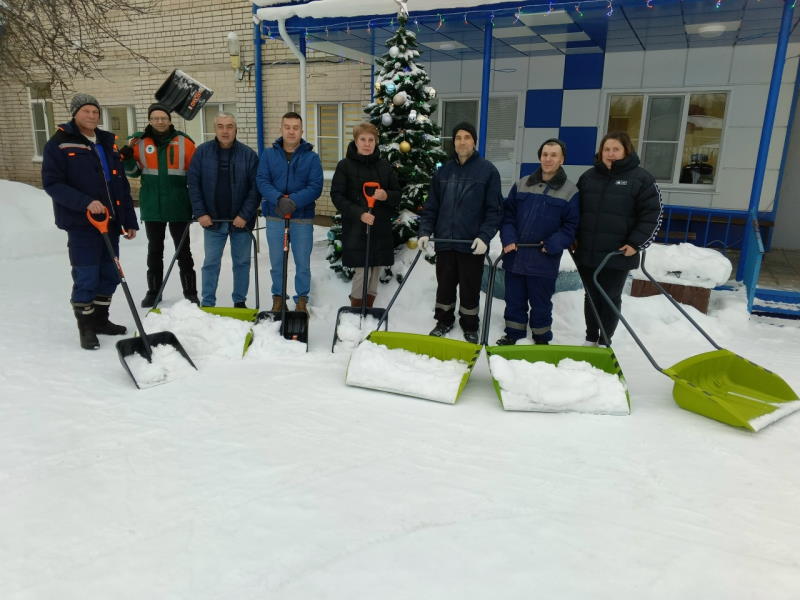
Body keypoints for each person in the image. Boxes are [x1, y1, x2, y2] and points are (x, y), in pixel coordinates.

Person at [42, 93, 139, 350]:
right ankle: (86, 328)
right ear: (75, 113)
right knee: (86, 275)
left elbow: (120, 184)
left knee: (110, 274)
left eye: (95, 111)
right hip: (82, 223)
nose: (92, 116)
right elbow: (52, 184)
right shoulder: (59, 143)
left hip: (111, 222)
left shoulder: (107, 142)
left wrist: (129, 220)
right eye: (86, 111)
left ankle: (100, 321)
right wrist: (85, 202)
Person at [417, 122, 503, 344]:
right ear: (453, 142)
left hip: (471, 243)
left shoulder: (488, 171)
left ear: (474, 141)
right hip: (445, 241)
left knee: (469, 287)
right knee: (444, 286)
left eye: (467, 137)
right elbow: (431, 206)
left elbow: (494, 210)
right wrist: (425, 231)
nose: (462, 142)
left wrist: (484, 237)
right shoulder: (443, 171)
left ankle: (470, 324)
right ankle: (443, 321)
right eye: (458, 138)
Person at [574, 131, 662, 346]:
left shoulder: (641, 179)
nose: (610, 154)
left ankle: (605, 340)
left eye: (616, 149)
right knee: (591, 295)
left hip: (618, 252)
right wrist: (573, 237)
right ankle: (590, 337)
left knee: (610, 296)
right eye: (606, 149)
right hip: (587, 250)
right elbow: (575, 211)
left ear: (626, 151)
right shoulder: (588, 177)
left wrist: (635, 243)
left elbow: (652, 214)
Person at [496, 138, 579, 346]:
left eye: (554, 155)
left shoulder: (570, 191)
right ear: (540, 157)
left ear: (562, 160)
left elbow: (571, 227)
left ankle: (541, 338)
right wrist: (508, 238)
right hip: (516, 256)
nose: (548, 159)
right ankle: (513, 334)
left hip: (544, 258)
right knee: (514, 300)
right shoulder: (522, 184)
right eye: (545, 154)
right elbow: (508, 216)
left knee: (541, 303)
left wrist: (553, 244)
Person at [121, 103, 198, 307]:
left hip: (179, 205)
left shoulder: (184, 142)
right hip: (152, 206)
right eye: (155, 118)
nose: (160, 121)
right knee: (154, 251)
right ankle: (154, 292)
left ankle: (191, 293)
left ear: (170, 120)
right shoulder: (139, 142)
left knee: (184, 252)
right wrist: (127, 159)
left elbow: (196, 173)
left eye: (163, 118)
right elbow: (133, 173)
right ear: (149, 120)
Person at [187, 112, 259, 308]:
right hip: (212, 221)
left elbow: (255, 189)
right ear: (215, 129)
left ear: (236, 129)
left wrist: (244, 215)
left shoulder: (248, 155)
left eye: (229, 126)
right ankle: (208, 302)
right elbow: (193, 184)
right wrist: (201, 213)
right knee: (211, 263)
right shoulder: (202, 153)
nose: (225, 131)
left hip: (241, 223)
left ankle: (240, 302)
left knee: (242, 263)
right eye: (220, 126)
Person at [256, 112, 323, 313]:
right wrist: (278, 199)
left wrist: (293, 201)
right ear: (281, 129)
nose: (291, 131)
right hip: (275, 216)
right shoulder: (269, 155)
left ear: (301, 131)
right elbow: (262, 181)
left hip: (302, 218)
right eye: (287, 127)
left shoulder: (311, 157)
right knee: (277, 262)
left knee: (302, 263)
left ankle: (301, 300)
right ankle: (278, 298)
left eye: (295, 127)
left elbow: (315, 186)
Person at [330, 123, 401, 307]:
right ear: (356, 141)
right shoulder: (345, 166)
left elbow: (397, 194)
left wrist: (386, 195)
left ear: (376, 142)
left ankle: (369, 306)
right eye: (363, 139)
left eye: (371, 140)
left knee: (376, 267)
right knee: (362, 269)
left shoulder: (384, 167)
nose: (367, 144)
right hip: (356, 227)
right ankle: (356, 306)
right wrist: (359, 213)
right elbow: (337, 196)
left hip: (380, 226)